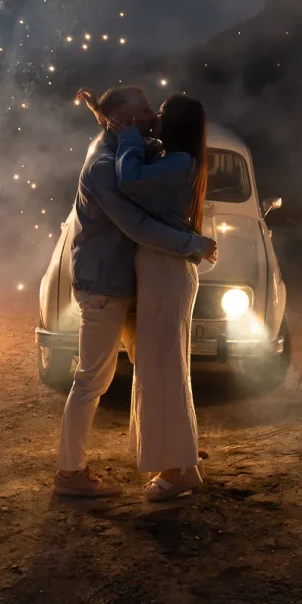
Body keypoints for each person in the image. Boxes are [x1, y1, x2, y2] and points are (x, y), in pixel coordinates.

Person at [54, 85, 217, 498]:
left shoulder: (128, 150)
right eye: (144, 110)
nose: (152, 116)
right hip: (106, 285)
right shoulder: (104, 165)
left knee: (159, 371)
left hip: (126, 282)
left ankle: (178, 460)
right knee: (94, 378)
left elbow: (145, 164)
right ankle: (70, 474)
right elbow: (136, 225)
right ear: (124, 120)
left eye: (154, 109)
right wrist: (194, 244)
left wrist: (116, 125)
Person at [109, 93, 210, 501]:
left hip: (166, 272)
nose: (156, 118)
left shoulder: (180, 163)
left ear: (176, 123)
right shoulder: (176, 160)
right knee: (162, 368)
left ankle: (177, 469)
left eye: (162, 114)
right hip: (162, 271)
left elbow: (129, 179)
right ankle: (182, 464)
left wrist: (128, 135)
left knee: (162, 370)